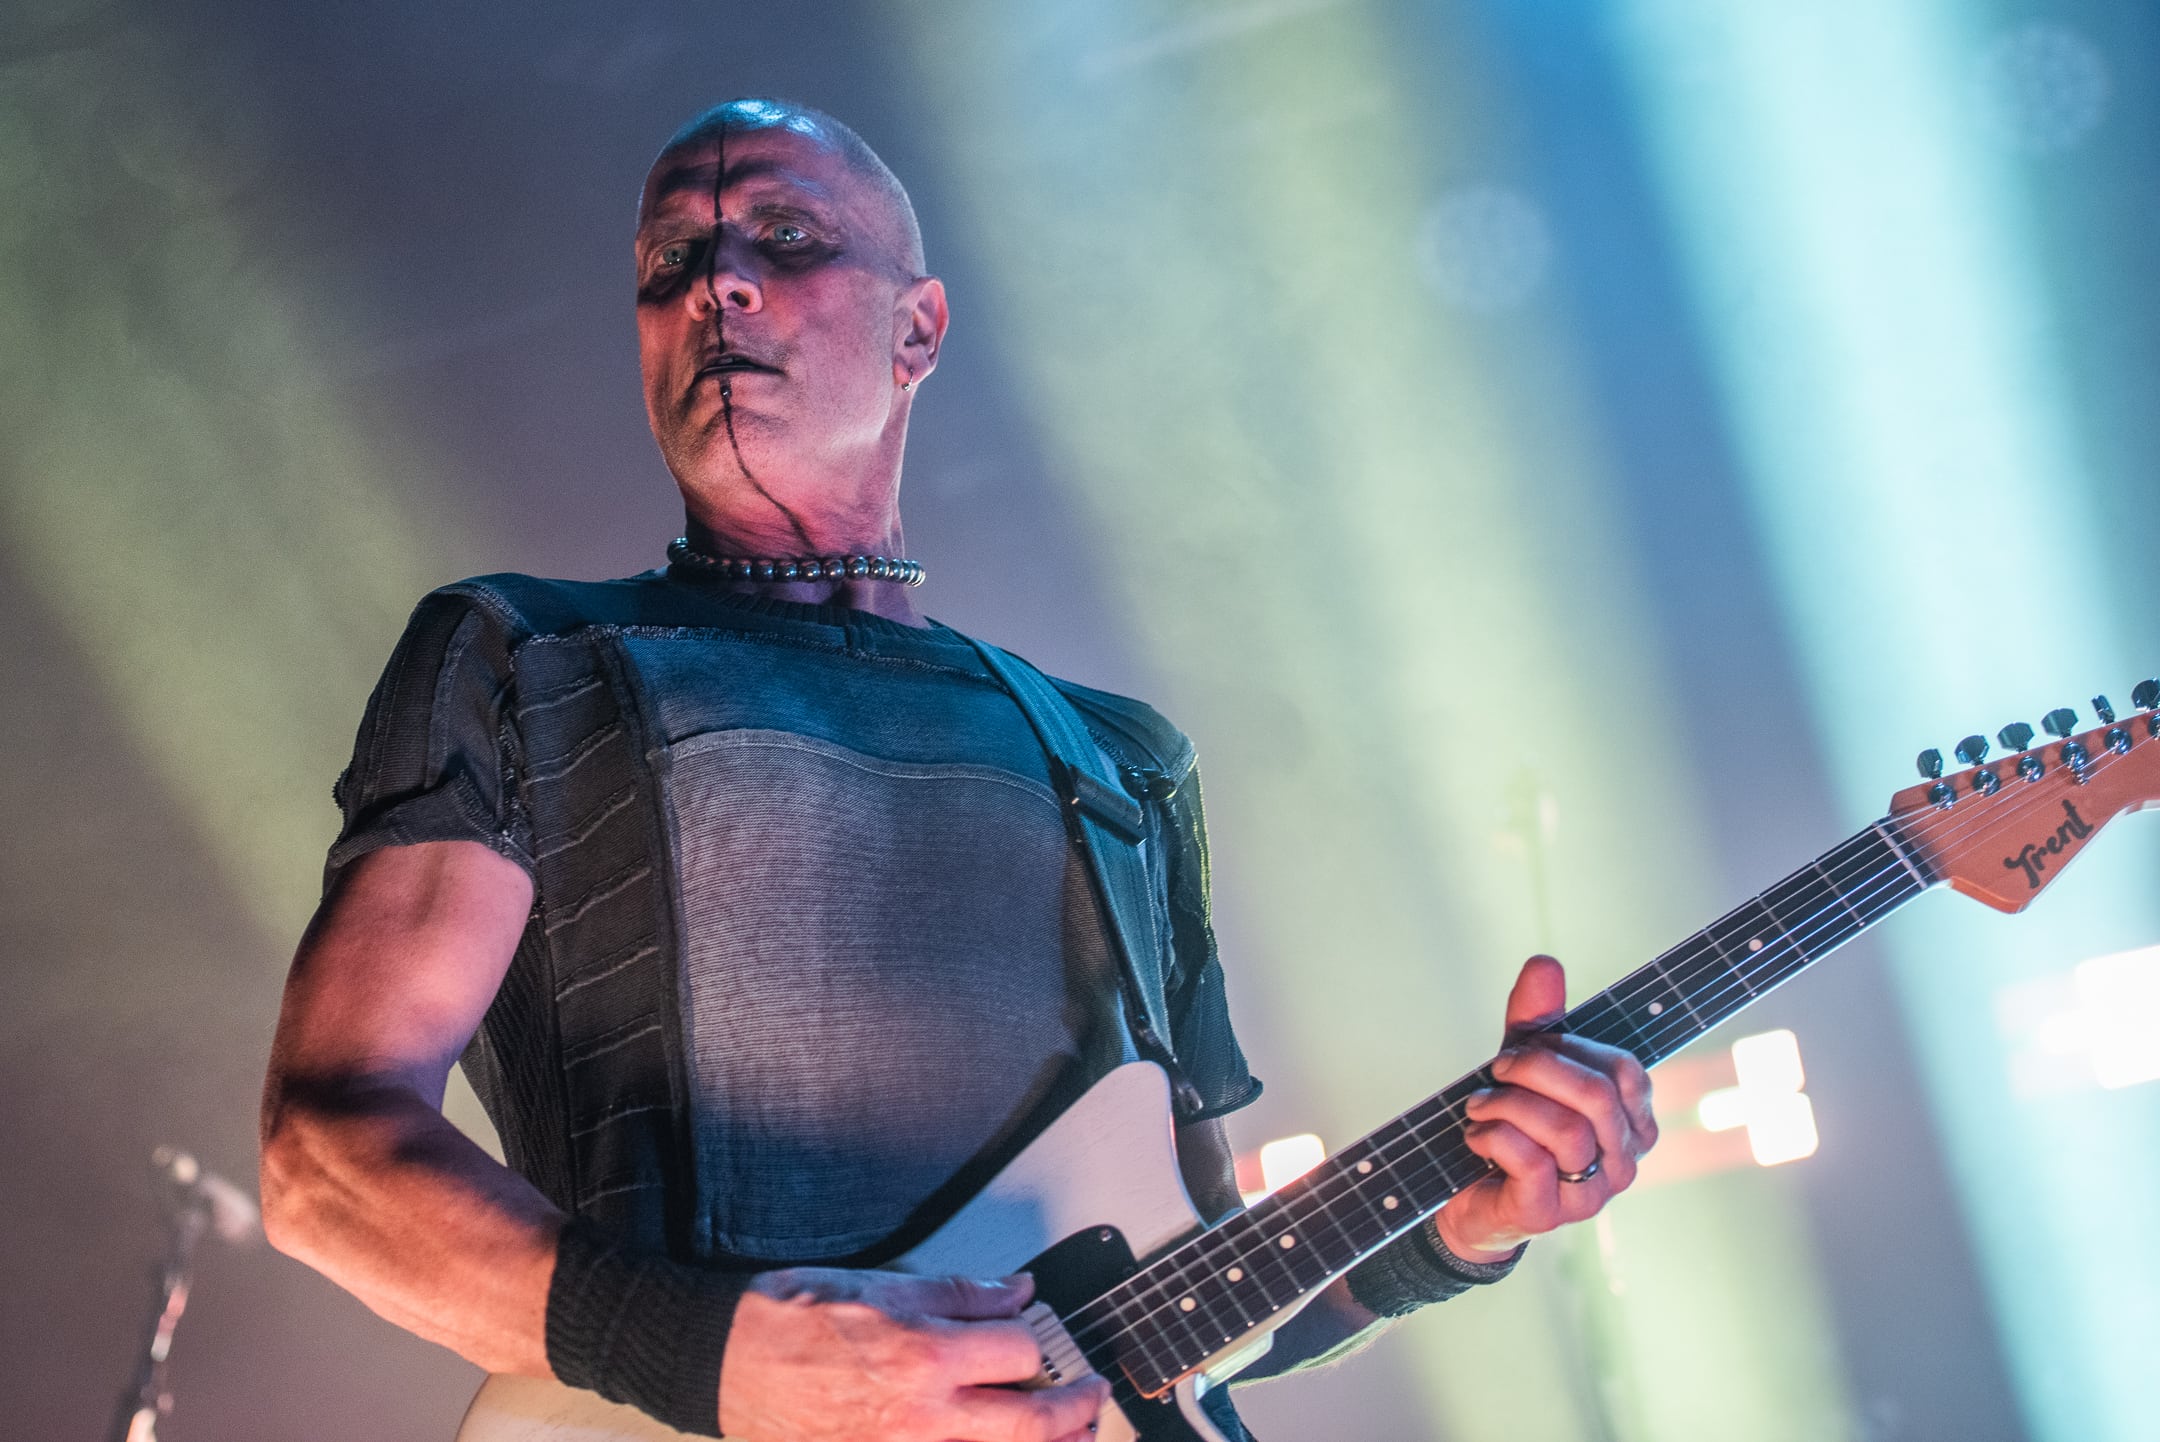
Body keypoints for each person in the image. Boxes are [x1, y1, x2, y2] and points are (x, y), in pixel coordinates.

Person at [259, 99, 1658, 1442]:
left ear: (918, 329)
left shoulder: (1118, 761)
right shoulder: (527, 654)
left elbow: (1193, 1311)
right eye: (671, 261)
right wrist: (737, 1364)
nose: (718, 289)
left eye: (785, 242)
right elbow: (324, 1164)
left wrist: (1458, 1225)